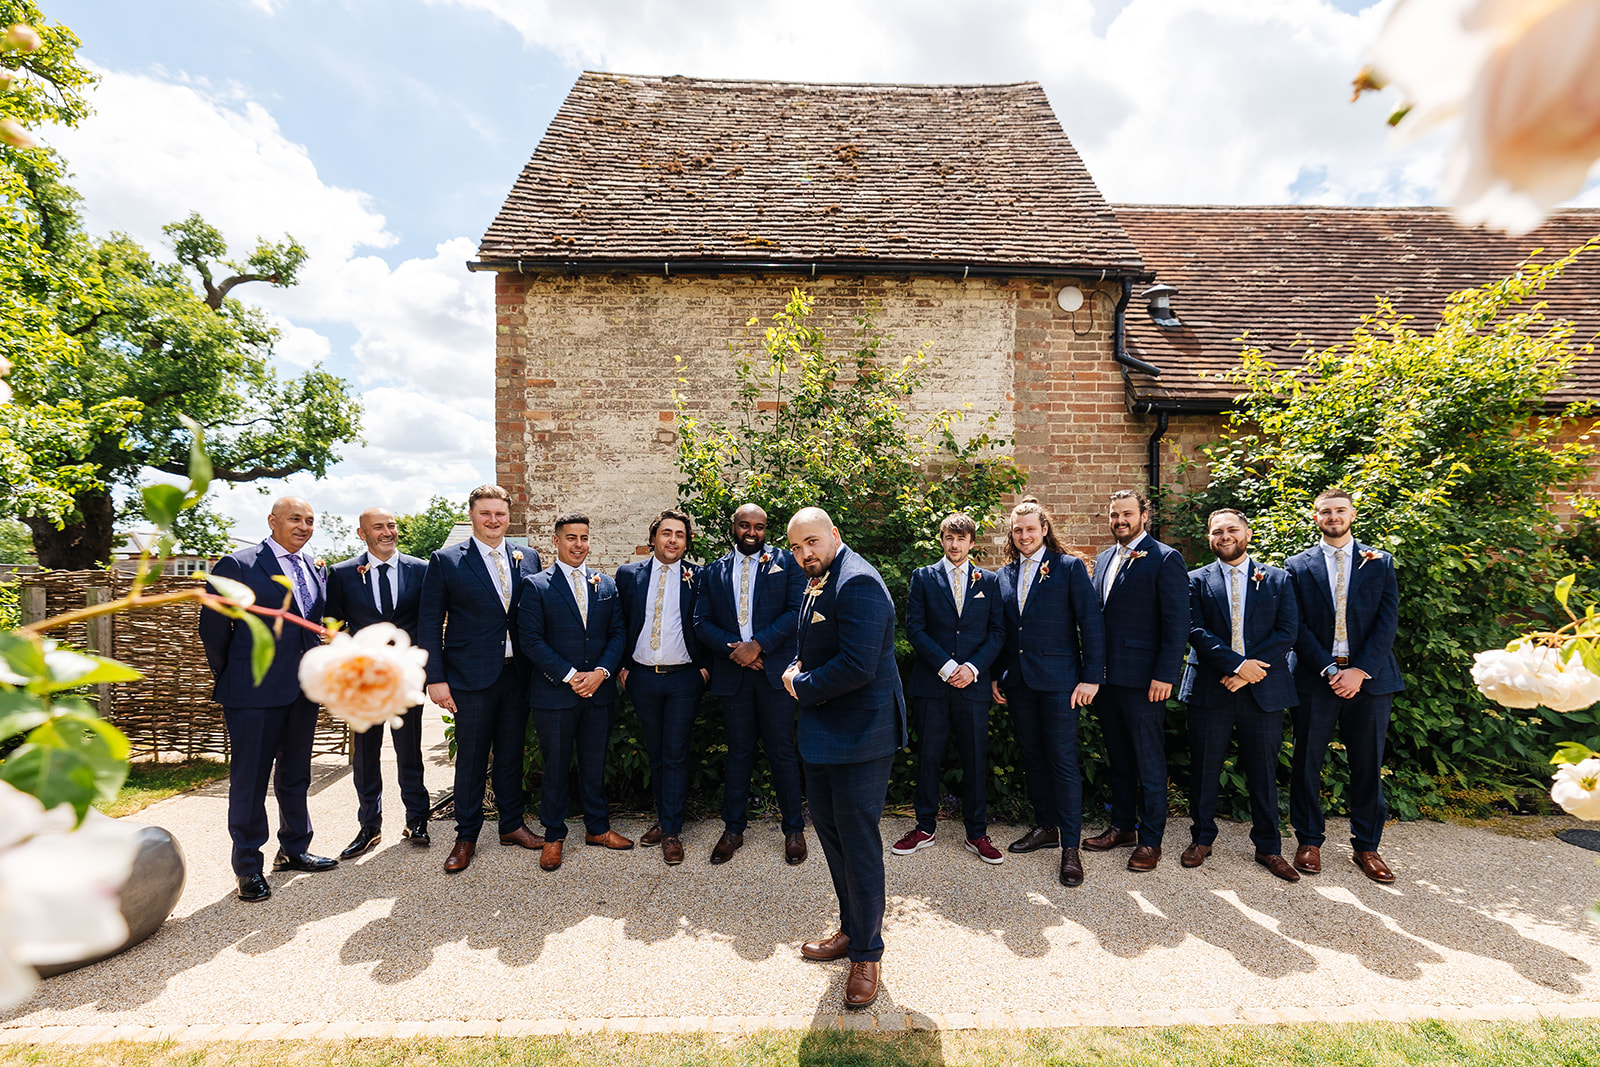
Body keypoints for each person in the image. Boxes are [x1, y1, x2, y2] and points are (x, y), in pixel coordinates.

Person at [783, 508, 905, 1010]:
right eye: (796, 547)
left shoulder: (858, 582)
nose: (805, 553)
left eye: (812, 542)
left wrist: (800, 684)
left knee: (857, 842)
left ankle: (868, 955)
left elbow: (858, 663)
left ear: (835, 534)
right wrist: (800, 667)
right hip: (825, 729)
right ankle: (852, 931)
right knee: (832, 835)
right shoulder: (822, 578)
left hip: (861, 734)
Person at [199, 495, 337, 902]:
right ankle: (247, 866)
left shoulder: (314, 567)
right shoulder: (238, 565)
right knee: (250, 780)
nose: (303, 526)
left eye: (310, 520)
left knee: (295, 774)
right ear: (272, 520)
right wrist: (234, 676)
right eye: (295, 519)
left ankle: (294, 848)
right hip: (252, 691)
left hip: (301, 690)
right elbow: (213, 630)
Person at [417, 485, 542, 874]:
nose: (493, 520)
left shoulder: (529, 557)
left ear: (509, 516)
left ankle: (511, 825)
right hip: (470, 677)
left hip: (517, 674)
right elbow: (429, 622)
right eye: (485, 513)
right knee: (471, 759)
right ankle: (466, 836)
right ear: (472, 515)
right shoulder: (446, 560)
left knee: (510, 754)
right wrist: (434, 678)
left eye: (500, 514)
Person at [1285, 489, 1403, 883]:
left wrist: (1359, 670)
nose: (1332, 516)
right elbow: (1295, 624)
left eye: (1339, 510)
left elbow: (1387, 622)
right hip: (1316, 677)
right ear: (1315, 517)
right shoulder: (1297, 565)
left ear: (1352, 514)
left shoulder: (1380, 561)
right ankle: (1309, 840)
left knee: (1367, 763)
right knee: (1307, 762)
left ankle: (1367, 846)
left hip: (1370, 680)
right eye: (1325, 512)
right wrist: (1328, 669)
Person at [1179, 508, 1302, 882]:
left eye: (1232, 529)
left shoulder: (1278, 578)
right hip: (1212, 687)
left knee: (1264, 771)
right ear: (1210, 539)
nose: (1225, 536)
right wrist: (1235, 666)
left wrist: (1249, 671)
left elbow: (1287, 630)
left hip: (1262, 690)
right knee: (1204, 768)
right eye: (1218, 532)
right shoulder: (1195, 580)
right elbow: (1194, 630)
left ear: (1247, 534)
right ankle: (1202, 838)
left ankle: (1269, 847)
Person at [991, 497, 1104, 888]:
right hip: (1019, 682)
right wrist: (995, 675)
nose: (1024, 535)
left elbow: (1090, 624)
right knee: (1033, 757)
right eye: (1018, 530)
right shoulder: (1003, 575)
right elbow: (1003, 632)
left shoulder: (1069, 567)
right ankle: (1045, 827)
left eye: (1031, 529)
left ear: (1044, 529)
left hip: (1060, 682)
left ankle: (1070, 848)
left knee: (1062, 760)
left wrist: (1091, 678)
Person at [692, 503, 809, 866]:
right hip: (734, 675)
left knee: (782, 751)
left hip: (774, 673)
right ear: (734, 528)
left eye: (758, 527)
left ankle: (793, 829)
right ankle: (733, 829)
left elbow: (796, 612)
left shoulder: (786, 564)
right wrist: (737, 652)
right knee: (739, 752)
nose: (751, 533)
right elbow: (701, 621)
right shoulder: (714, 571)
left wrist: (758, 646)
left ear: (766, 530)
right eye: (744, 526)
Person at [1082, 491, 1189, 872]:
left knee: (1148, 760)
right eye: (1114, 515)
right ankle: (1122, 826)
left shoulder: (1165, 558)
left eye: (1127, 514)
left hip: (1146, 681)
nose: (1120, 520)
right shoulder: (1104, 559)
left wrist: (1165, 674)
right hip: (1108, 681)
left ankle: (1151, 840)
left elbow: (1177, 623)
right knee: (1120, 758)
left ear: (1144, 515)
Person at [518, 512, 631, 872]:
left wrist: (600, 673)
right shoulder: (536, 585)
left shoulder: (606, 584)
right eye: (571, 538)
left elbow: (618, 634)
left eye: (583, 537)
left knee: (595, 764)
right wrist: (570, 676)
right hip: (555, 694)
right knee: (555, 767)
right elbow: (531, 641)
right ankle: (554, 835)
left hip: (598, 692)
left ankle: (598, 828)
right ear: (556, 541)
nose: (578, 544)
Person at [894, 512, 1007, 864]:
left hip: (972, 686)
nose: (955, 544)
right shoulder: (923, 577)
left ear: (972, 542)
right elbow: (915, 630)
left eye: (961, 539)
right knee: (928, 756)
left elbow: (998, 632)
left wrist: (972, 668)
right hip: (933, 684)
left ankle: (976, 832)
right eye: (949, 538)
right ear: (941, 540)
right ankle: (924, 827)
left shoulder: (989, 581)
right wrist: (946, 667)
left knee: (975, 759)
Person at [324, 506, 432, 858]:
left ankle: (417, 819)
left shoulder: (421, 569)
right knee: (366, 754)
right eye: (378, 527)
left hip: (406, 679)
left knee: (409, 750)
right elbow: (333, 626)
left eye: (391, 525)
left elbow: (429, 623)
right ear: (362, 534)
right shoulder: (341, 574)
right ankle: (369, 826)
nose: (387, 532)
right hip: (363, 682)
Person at [615, 509, 710, 866]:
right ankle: (663, 817)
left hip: (685, 678)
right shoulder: (628, 575)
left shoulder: (697, 577)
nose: (673, 540)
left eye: (680, 535)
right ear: (654, 537)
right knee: (656, 752)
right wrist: (622, 668)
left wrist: (704, 670)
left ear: (687, 542)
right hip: (641, 677)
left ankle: (671, 831)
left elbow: (714, 621)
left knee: (675, 752)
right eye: (667, 533)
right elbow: (618, 623)